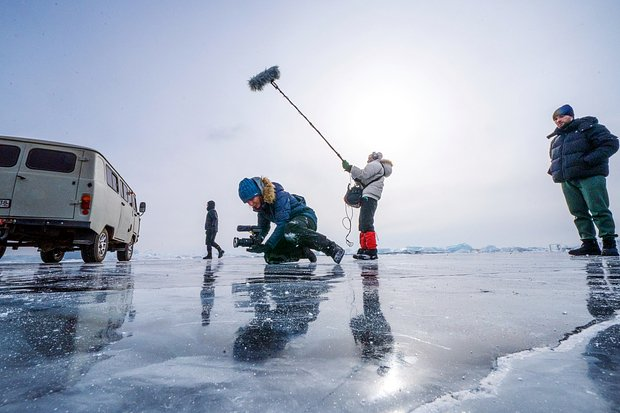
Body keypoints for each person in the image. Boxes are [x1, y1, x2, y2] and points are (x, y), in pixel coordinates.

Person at [547, 104, 619, 256]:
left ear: (571, 115)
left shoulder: (589, 127)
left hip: (590, 176)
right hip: (567, 180)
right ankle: (589, 244)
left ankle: (609, 244)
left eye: (561, 116)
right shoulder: (557, 139)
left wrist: (588, 161)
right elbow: (556, 158)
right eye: (555, 118)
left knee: (598, 209)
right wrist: (553, 169)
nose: (558, 120)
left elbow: (611, 143)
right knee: (578, 213)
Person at [237, 176, 345, 264]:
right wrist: (258, 241)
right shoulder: (261, 208)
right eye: (247, 202)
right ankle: (302, 252)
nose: (251, 204)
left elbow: (282, 223)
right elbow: (264, 228)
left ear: (259, 192)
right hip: (289, 228)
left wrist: (268, 244)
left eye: (252, 199)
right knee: (271, 256)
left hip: (305, 218)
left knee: (290, 229)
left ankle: (332, 249)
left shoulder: (279, 196)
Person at [342, 152, 393, 260]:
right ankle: (365, 248)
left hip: (369, 196)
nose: (368, 158)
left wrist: (350, 167)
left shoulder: (375, 164)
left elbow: (363, 175)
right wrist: (350, 170)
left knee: (367, 222)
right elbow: (364, 180)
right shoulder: (377, 167)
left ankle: (371, 251)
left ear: (375, 157)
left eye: (369, 156)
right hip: (370, 196)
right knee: (363, 223)